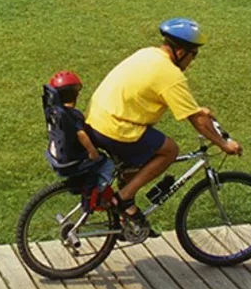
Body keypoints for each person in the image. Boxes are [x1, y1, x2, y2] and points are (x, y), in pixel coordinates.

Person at [84, 19, 241, 232]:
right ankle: (123, 198)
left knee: (136, 163)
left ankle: (124, 218)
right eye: (194, 54)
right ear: (181, 51)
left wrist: (197, 110)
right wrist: (224, 145)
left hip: (96, 120)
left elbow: (190, 109)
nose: (193, 60)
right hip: (116, 129)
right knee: (169, 150)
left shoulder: (148, 53)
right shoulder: (170, 75)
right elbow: (196, 120)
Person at [44, 71, 114, 195]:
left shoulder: (55, 112)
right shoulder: (74, 115)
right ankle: (98, 193)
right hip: (72, 162)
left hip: (57, 157)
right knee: (107, 164)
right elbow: (81, 135)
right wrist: (93, 153)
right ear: (76, 94)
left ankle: (80, 183)